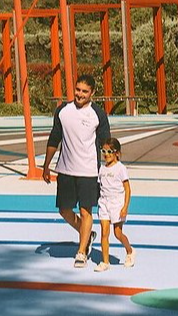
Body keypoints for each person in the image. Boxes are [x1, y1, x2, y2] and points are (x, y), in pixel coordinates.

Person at [42, 74, 111, 268]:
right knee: (64, 210)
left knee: (85, 210)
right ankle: (86, 233)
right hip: (66, 169)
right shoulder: (63, 111)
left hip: (88, 171)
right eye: (78, 90)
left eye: (85, 91)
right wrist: (46, 165)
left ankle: (81, 251)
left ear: (92, 93)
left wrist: (109, 168)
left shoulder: (98, 114)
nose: (80, 94)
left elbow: (106, 142)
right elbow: (54, 138)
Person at [94, 137, 134, 272]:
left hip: (117, 203)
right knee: (104, 232)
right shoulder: (102, 169)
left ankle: (130, 251)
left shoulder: (120, 168)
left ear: (116, 153)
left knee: (117, 233)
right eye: (104, 151)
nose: (106, 154)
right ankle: (105, 261)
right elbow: (100, 186)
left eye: (109, 151)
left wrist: (125, 207)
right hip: (104, 203)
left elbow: (127, 189)